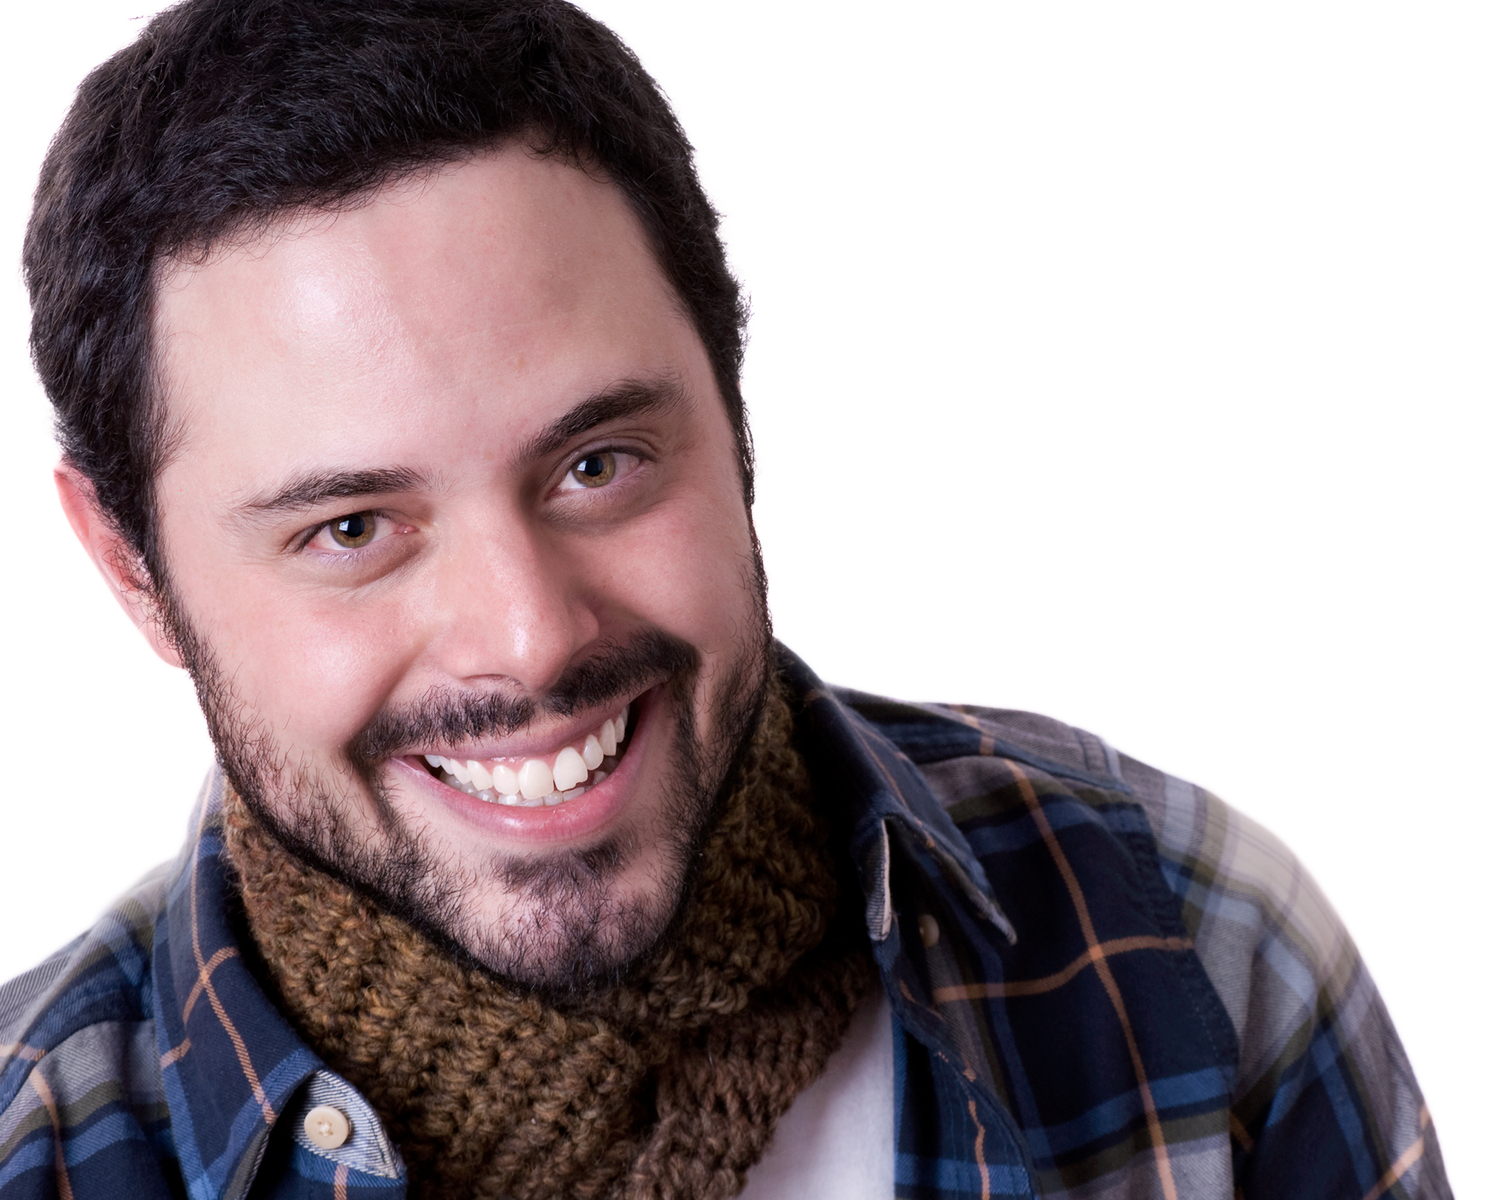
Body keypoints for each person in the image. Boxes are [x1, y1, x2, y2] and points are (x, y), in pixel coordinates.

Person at [0, 2, 1452, 1198]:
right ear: (134, 572)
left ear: (734, 415)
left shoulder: (1191, 942)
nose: (530, 637)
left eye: (598, 464)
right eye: (353, 529)